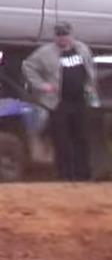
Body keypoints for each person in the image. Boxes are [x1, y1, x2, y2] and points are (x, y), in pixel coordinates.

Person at [22, 21, 97, 181]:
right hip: (58, 103)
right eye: (60, 35)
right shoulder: (45, 52)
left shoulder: (82, 48)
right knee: (62, 141)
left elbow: (91, 67)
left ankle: (83, 174)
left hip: (80, 101)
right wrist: (42, 85)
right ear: (56, 36)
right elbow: (28, 66)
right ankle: (65, 176)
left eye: (66, 34)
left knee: (81, 138)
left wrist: (90, 85)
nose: (63, 38)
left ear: (71, 34)